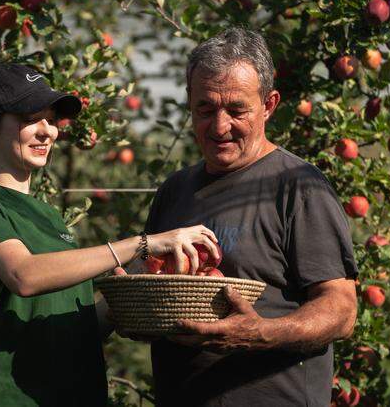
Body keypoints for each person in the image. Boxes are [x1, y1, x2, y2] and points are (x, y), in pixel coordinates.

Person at [0, 63, 219, 406]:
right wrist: (141, 244)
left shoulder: (48, 216)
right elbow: (23, 275)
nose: (48, 132)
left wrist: (132, 291)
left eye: (51, 119)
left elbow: (80, 325)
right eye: (30, 119)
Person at [140, 28, 359, 406]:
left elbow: (341, 309)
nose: (220, 126)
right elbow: (155, 287)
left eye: (237, 110)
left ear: (269, 104)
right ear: (189, 101)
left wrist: (261, 334)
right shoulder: (174, 191)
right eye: (205, 109)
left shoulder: (297, 186)